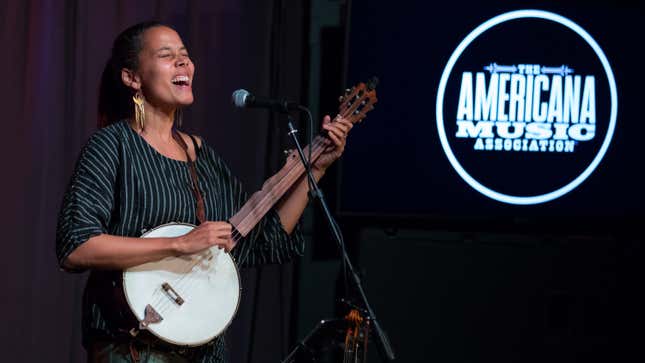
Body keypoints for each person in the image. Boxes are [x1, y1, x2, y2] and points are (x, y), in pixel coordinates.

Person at [56, 21, 353, 363]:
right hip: (132, 348)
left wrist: (315, 169)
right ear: (132, 78)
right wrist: (180, 243)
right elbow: (76, 246)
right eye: (168, 56)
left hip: (204, 351)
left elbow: (262, 241)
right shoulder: (112, 146)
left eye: (185, 55)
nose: (184, 63)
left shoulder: (201, 155)